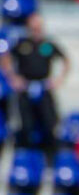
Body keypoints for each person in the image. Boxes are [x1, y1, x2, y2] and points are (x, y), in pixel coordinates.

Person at [3, 13, 70, 155]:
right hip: (26, 88)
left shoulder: (48, 44)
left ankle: (49, 156)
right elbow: (6, 58)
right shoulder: (22, 44)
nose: (36, 30)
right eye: (33, 27)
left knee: (49, 123)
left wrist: (59, 79)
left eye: (38, 26)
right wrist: (13, 78)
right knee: (26, 124)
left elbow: (65, 60)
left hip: (43, 87)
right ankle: (27, 157)